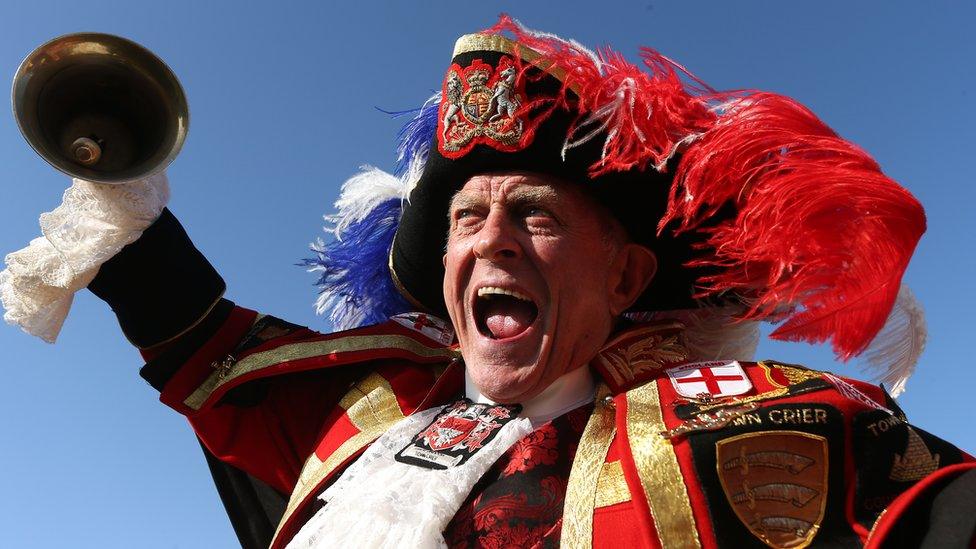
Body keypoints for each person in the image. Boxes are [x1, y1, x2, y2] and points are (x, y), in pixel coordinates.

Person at [3, 16, 975, 549]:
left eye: (535, 214)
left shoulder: (779, 423)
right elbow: (194, 336)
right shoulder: (364, 414)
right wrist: (115, 168)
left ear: (628, 273)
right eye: (468, 218)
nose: (492, 240)